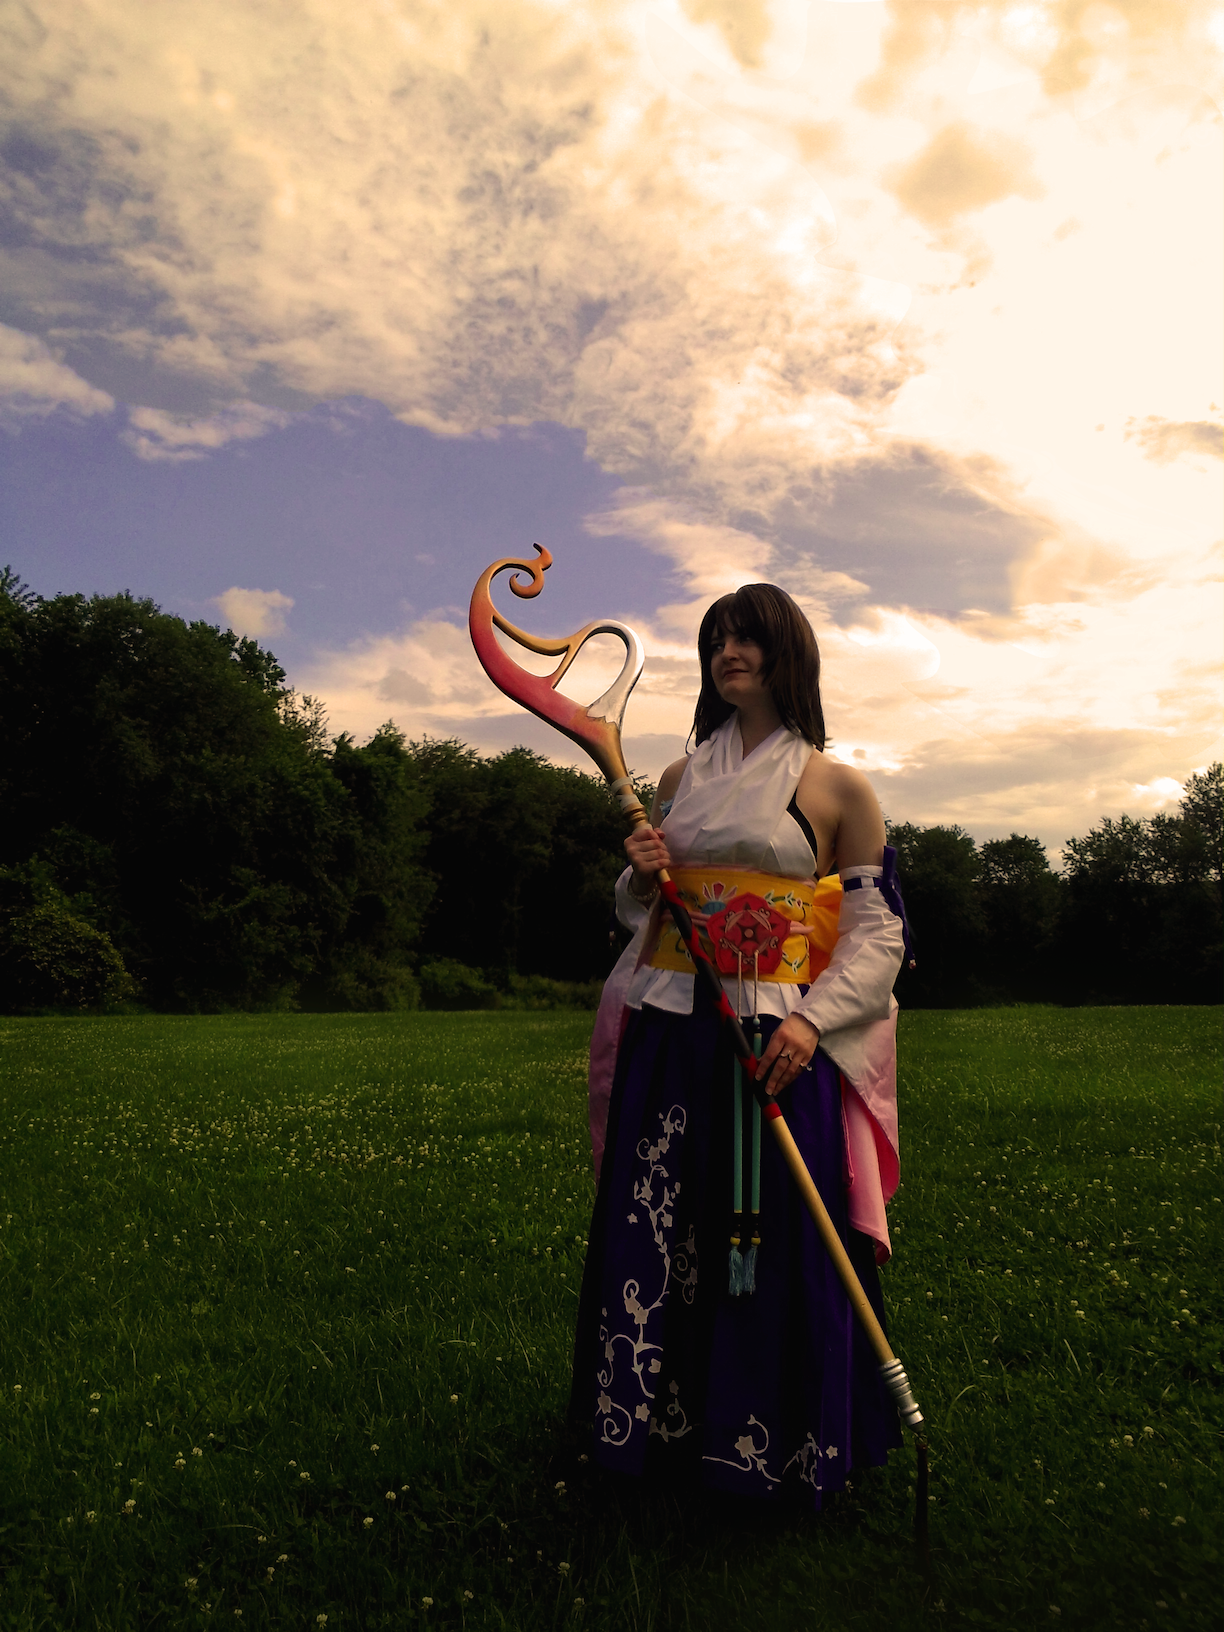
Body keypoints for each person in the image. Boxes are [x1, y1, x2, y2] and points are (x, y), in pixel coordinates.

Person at [571, 583, 909, 1506]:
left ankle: (779, 1445)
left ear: (786, 652)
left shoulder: (839, 787)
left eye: (747, 637)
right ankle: (654, 1436)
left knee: (778, 1231)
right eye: (717, 638)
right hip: (673, 1028)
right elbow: (649, 911)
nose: (728, 651)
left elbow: (878, 932)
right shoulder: (677, 779)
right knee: (660, 1221)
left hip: (777, 1036)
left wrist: (810, 1022)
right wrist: (640, 876)